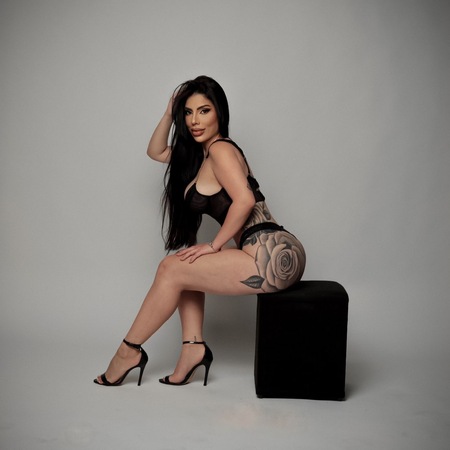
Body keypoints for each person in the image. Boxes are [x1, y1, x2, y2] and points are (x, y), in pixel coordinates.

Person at [94, 75, 306, 387]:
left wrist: (214, 245)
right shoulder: (201, 156)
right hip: (267, 251)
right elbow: (155, 151)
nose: (194, 120)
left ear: (220, 112)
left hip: (271, 255)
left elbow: (245, 200)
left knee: (171, 268)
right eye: (188, 112)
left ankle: (128, 352)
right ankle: (193, 349)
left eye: (204, 111)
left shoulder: (220, 150)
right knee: (185, 264)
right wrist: (169, 112)